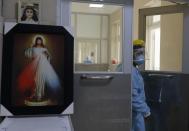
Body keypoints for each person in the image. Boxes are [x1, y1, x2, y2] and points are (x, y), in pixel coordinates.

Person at [18, 36, 61, 103]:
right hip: (35, 65)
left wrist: (45, 56)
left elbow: (49, 56)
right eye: (37, 40)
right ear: (36, 41)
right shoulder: (33, 48)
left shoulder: (44, 49)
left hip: (42, 66)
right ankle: (35, 93)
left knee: (41, 80)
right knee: (35, 79)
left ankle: (39, 95)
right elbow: (27, 54)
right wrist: (30, 48)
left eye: (40, 40)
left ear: (41, 41)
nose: (39, 42)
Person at [132, 39, 151, 131]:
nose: (141, 56)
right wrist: (146, 111)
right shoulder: (131, 71)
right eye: (138, 53)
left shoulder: (132, 68)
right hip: (134, 113)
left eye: (142, 53)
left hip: (135, 113)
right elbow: (133, 97)